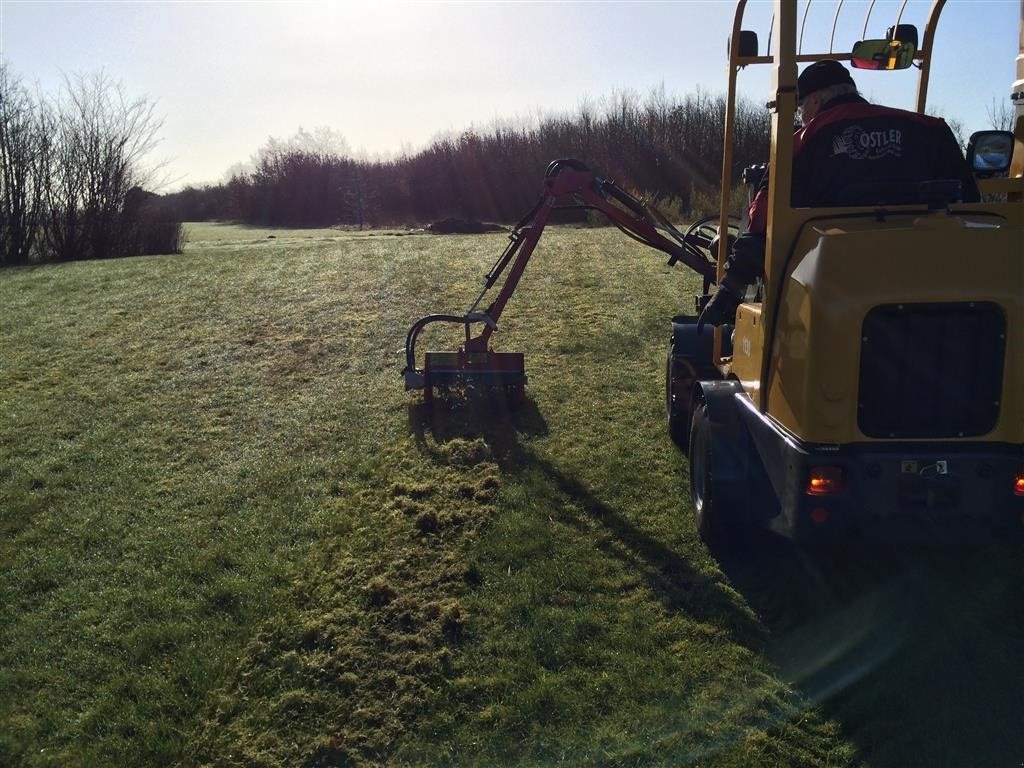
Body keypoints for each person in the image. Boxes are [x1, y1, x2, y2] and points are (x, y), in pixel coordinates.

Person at [698, 59, 979, 331]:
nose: (801, 116)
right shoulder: (932, 130)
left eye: (801, 108)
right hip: (939, 291)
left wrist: (728, 290)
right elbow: (971, 207)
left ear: (816, 100)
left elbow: (761, 222)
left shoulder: (798, 145)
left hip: (831, 297)